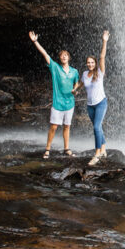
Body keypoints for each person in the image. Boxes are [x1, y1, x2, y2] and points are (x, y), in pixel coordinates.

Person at [29, 31, 80, 159]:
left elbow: (77, 84)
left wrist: (75, 90)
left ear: (69, 58)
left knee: (67, 126)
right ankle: (47, 149)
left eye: (65, 56)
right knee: (54, 126)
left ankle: (66, 148)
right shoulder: (55, 68)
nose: (63, 57)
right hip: (58, 102)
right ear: (60, 58)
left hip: (70, 103)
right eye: (62, 56)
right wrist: (35, 41)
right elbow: (45, 53)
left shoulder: (74, 71)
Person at [81, 30, 109, 166]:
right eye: (88, 62)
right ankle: (103, 149)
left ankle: (97, 154)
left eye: (92, 62)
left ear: (95, 63)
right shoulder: (85, 74)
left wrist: (104, 41)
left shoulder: (100, 71)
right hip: (90, 105)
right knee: (97, 127)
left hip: (101, 103)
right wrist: (74, 89)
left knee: (96, 127)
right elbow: (81, 84)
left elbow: (102, 57)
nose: (90, 64)